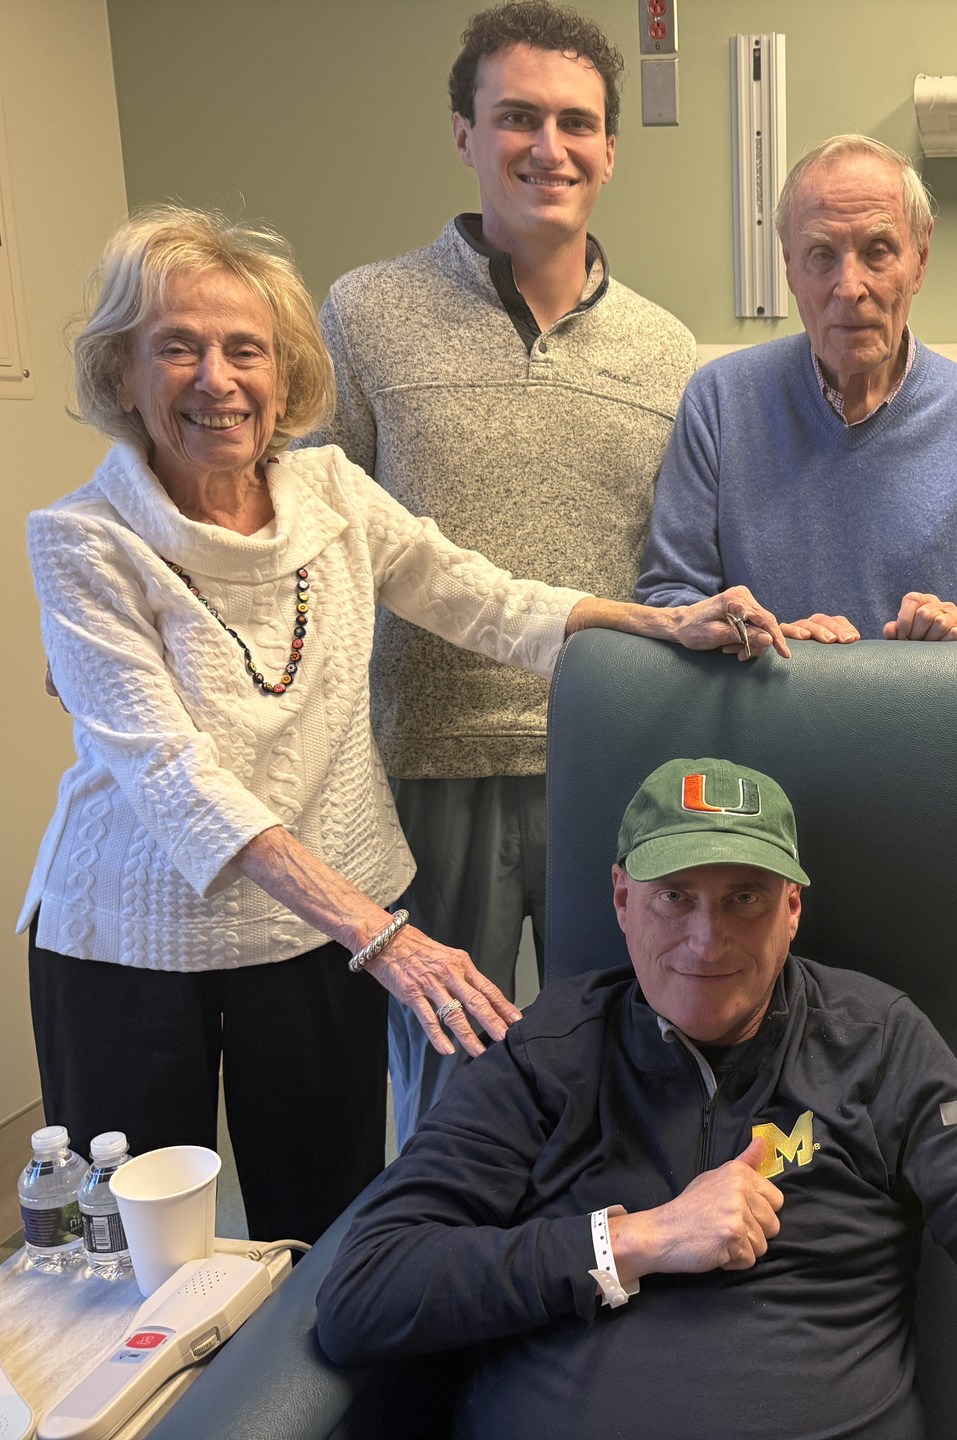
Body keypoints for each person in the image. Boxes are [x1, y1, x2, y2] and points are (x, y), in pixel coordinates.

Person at [21, 208, 784, 1245]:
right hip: (131, 942)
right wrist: (381, 934)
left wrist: (661, 620)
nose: (216, 379)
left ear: (285, 373)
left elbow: (485, 599)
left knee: (323, 1221)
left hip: (312, 940)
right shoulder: (80, 543)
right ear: (122, 374)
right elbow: (174, 778)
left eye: (245, 349)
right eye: (177, 349)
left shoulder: (332, 491)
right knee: (138, 1246)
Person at [317, 755, 957, 1438]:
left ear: (792, 909)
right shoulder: (548, 1052)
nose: (707, 941)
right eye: (675, 896)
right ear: (621, 899)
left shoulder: (878, 1041)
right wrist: (638, 1241)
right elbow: (366, 1289)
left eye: (745, 898)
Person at [302, 0, 699, 1143]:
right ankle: (447, 1280)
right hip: (431, 762)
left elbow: (672, 566)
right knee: (452, 1071)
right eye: (516, 116)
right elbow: (318, 537)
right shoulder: (367, 311)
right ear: (467, 137)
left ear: (611, 151)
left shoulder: (667, 352)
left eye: (576, 122)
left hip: (607, 756)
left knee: (618, 1051)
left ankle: (603, 1270)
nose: (548, 146)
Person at [637, 134, 957, 646]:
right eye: (821, 255)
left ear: (920, 259)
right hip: (761, 715)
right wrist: (760, 639)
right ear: (790, 266)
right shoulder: (719, 404)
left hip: (925, 722)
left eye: (877, 251)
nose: (850, 287)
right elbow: (667, 602)